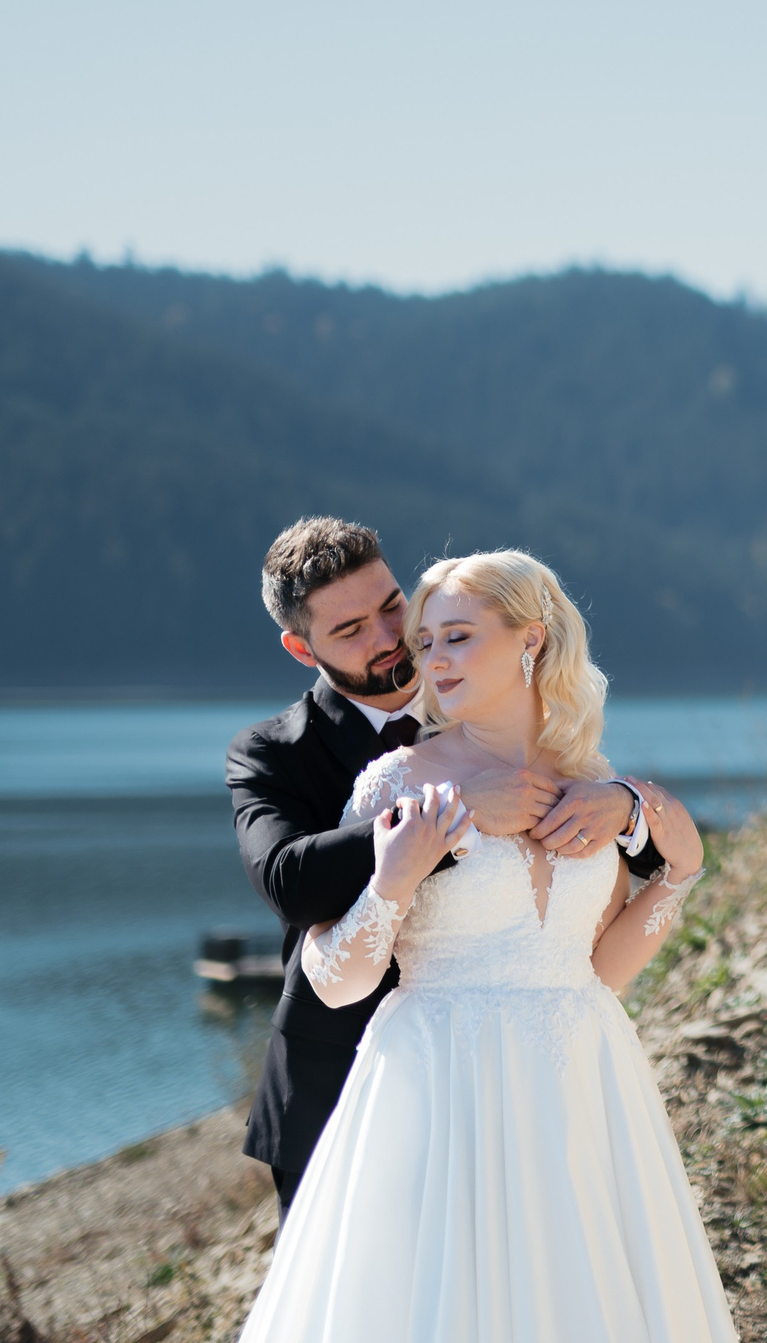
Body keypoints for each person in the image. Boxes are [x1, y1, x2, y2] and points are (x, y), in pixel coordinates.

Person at [236, 548, 731, 1343]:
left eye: (454, 636)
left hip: (579, 1076)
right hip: (441, 1080)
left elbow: (598, 971)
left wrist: (679, 873)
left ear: (530, 640)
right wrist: (394, 874)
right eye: (428, 642)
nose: (427, 656)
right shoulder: (394, 784)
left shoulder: (591, 780)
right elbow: (335, 977)